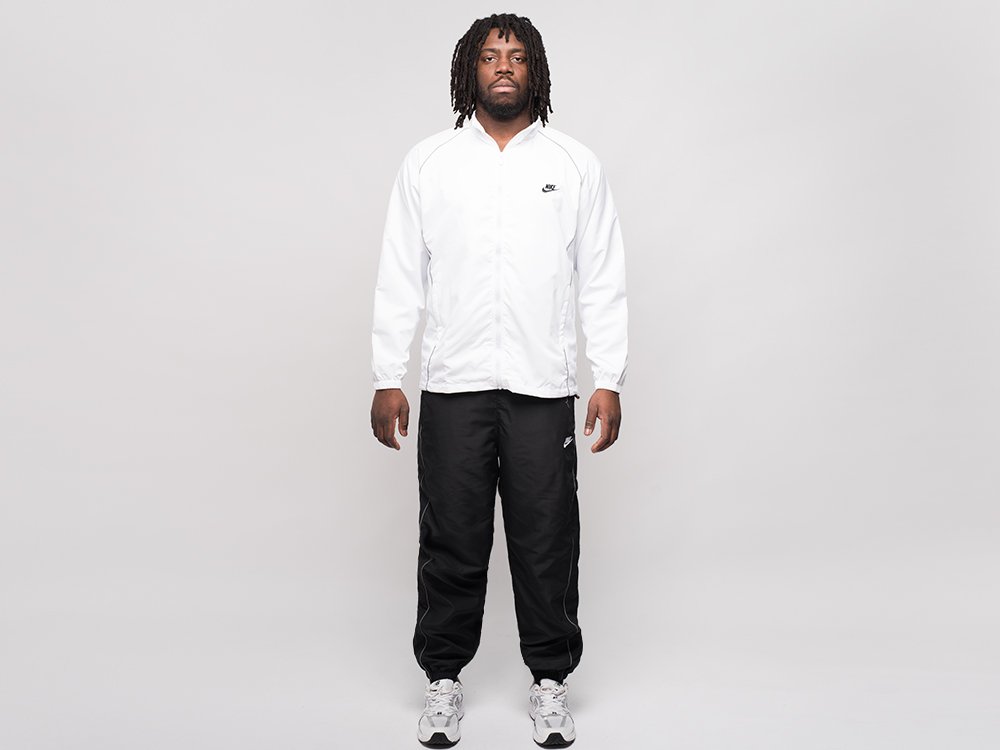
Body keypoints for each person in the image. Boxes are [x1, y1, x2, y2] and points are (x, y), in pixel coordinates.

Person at [370, 13, 628, 748]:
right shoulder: (430, 163)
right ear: (470, 70)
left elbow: (600, 276)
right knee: (450, 535)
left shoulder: (574, 165)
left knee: (547, 538)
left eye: (516, 55)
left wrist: (607, 377)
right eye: (490, 56)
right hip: (453, 385)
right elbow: (401, 272)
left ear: (535, 69)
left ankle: (550, 682)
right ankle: (443, 679)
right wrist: (389, 373)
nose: (504, 66)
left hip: (543, 387)